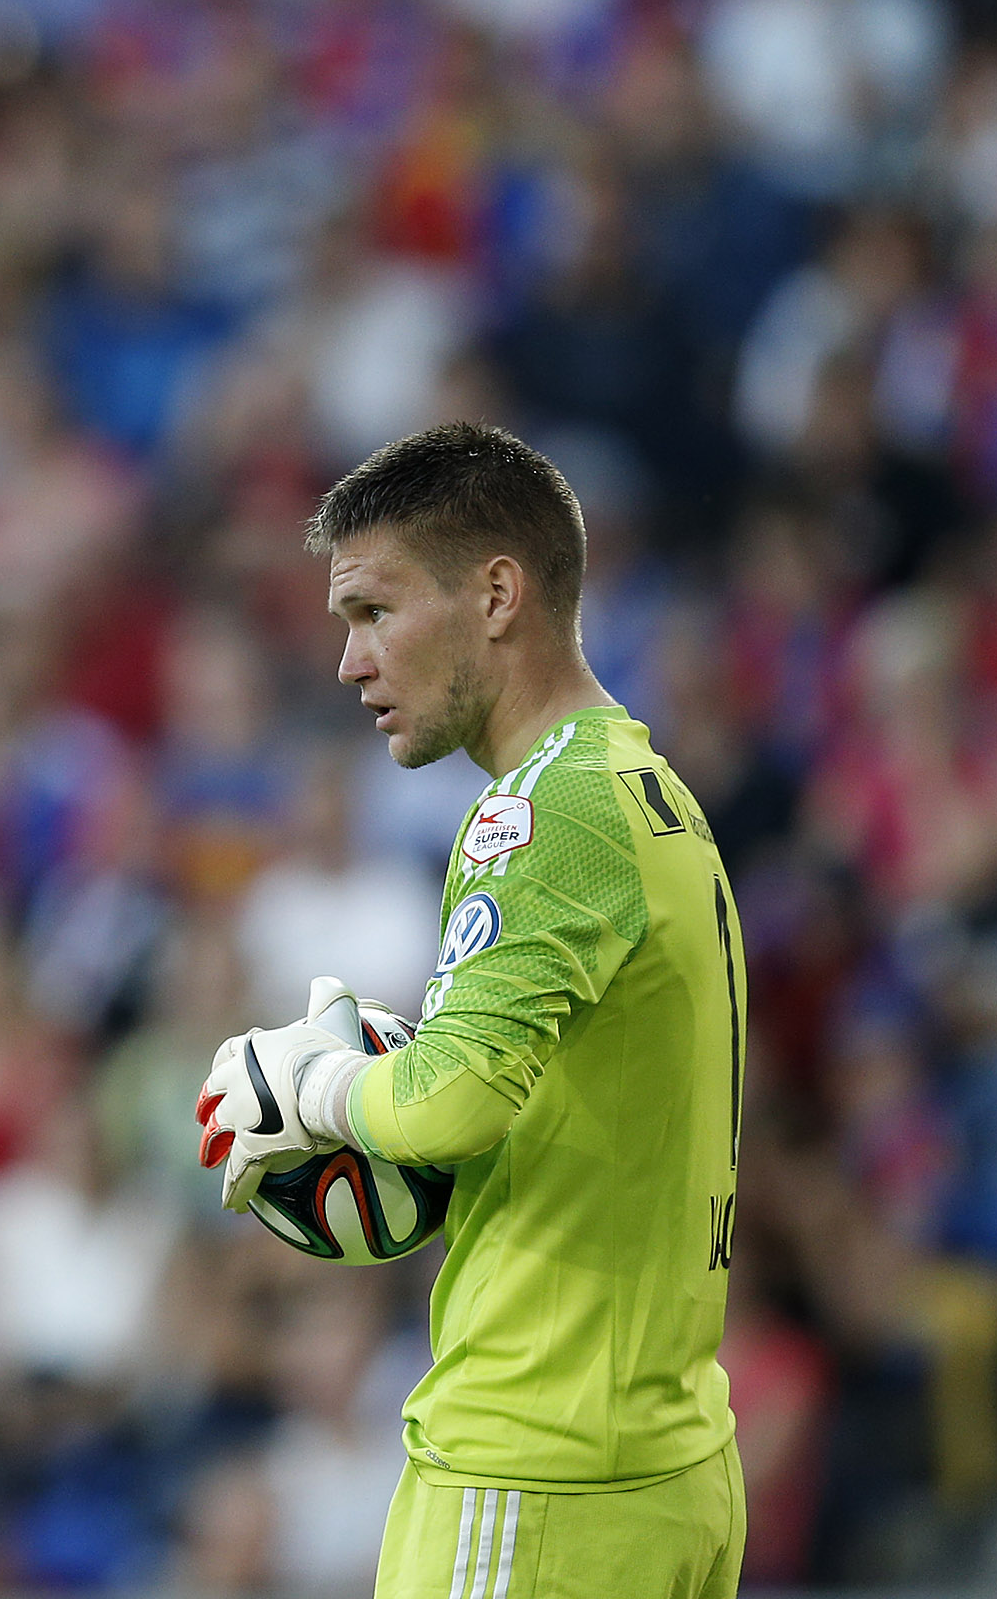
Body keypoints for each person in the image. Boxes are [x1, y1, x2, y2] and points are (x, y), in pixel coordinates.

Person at [194, 424, 746, 1598]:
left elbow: (451, 1104)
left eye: (374, 611)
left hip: (534, 1470)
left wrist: (315, 1088)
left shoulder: (543, 813)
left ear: (497, 595)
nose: (349, 662)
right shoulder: (648, 791)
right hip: (663, 1464)